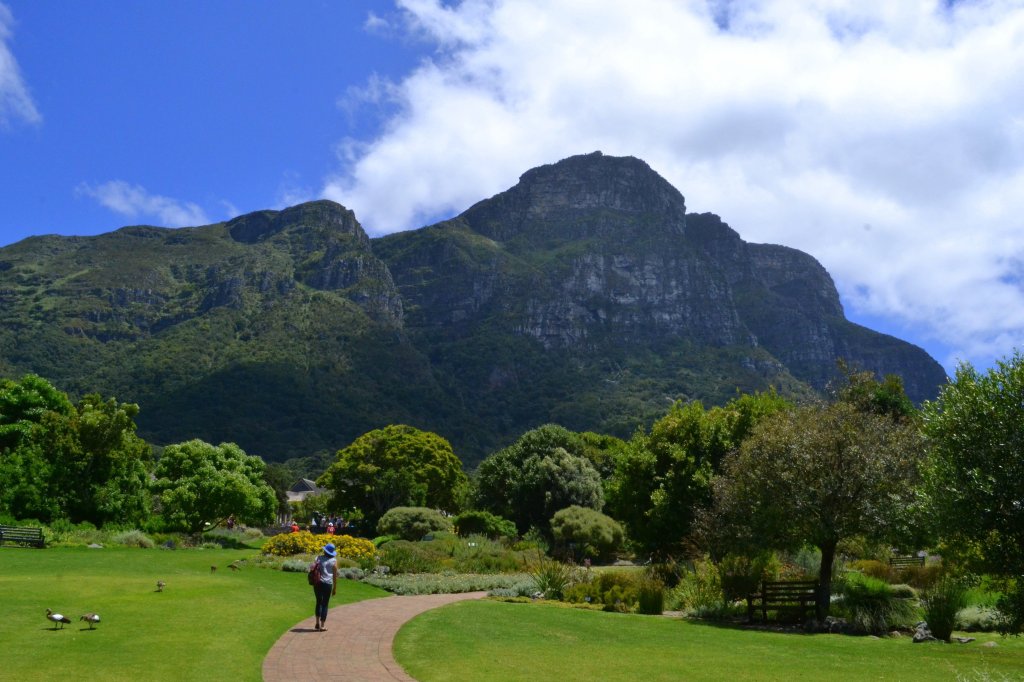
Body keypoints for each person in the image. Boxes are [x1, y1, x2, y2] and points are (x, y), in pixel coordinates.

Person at [312, 542, 339, 632]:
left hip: (318, 582)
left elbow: (312, 568)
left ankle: (316, 623)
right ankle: (322, 626)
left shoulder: (318, 558)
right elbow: (335, 576)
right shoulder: (334, 561)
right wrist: (335, 588)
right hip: (328, 583)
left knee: (318, 602)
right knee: (325, 604)